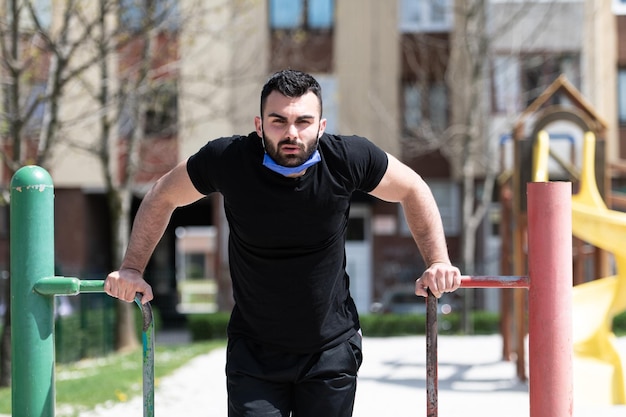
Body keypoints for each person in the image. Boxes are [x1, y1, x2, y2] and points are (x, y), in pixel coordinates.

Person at [105, 69, 462, 417]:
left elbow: (413, 188)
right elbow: (163, 194)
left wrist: (437, 261)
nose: (291, 133)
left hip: (331, 350)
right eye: (278, 121)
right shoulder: (229, 160)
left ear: (321, 126)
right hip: (254, 354)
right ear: (259, 125)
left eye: (303, 122)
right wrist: (132, 268)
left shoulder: (347, 159)